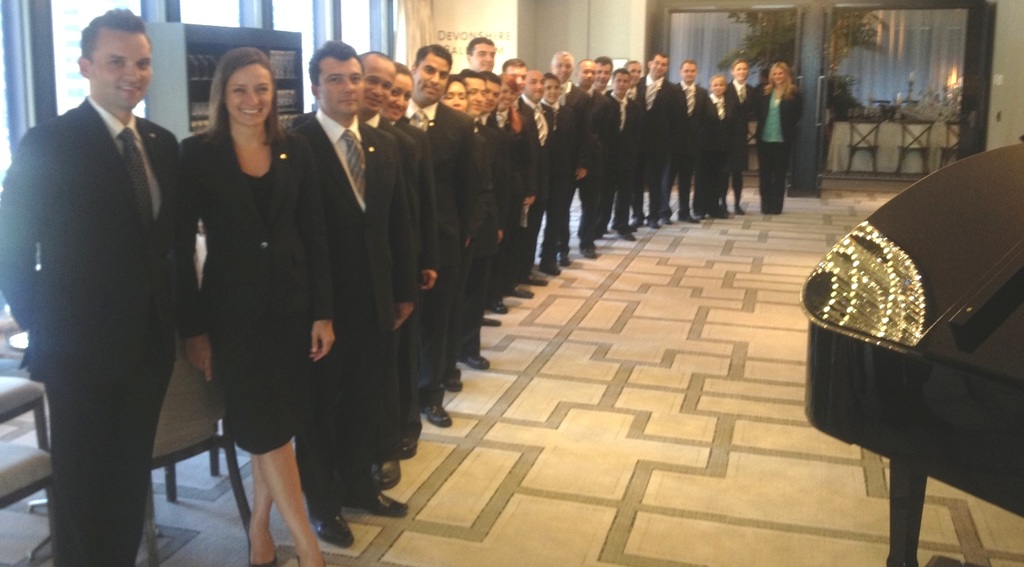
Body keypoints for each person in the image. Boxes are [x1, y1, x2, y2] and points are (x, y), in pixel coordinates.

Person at [0, 10, 179, 565]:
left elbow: (164, 245)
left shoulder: (160, 143)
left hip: (148, 347)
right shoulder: (50, 141)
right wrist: (46, 325)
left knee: (128, 479)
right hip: (78, 353)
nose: (132, 73)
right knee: (84, 486)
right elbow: (12, 246)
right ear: (85, 66)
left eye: (142, 62)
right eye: (116, 61)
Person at [176, 47, 332, 567]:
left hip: (292, 308)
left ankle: (259, 526)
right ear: (221, 94)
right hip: (232, 316)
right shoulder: (197, 154)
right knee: (265, 427)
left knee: (278, 426)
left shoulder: (296, 148)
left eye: (262, 88)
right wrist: (194, 329)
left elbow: (315, 233)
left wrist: (323, 312)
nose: (252, 99)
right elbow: (179, 247)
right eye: (240, 89)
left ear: (274, 93)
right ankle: (308, 548)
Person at [292, 40, 417, 547]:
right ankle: (323, 506)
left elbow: (398, 220)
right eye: (336, 79)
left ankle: (360, 487)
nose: (350, 88)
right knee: (321, 408)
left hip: (377, 299)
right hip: (323, 306)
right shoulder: (296, 143)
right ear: (315, 86)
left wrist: (403, 289)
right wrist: (318, 311)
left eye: (355, 77)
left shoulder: (383, 143)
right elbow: (300, 236)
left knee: (366, 399)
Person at [406, 45, 480, 428]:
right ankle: (401, 398)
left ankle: (430, 395)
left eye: (443, 74)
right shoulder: (391, 118)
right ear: (414, 68)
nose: (435, 80)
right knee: (403, 326)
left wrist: (461, 237)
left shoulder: (460, 125)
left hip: (445, 242)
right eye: (429, 70)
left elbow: (468, 189)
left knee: (437, 324)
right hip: (400, 243)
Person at [755, 61, 802, 215]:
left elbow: (798, 115)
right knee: (765, 174)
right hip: (764, 139)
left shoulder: (794, 93)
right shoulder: (764, 92)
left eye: (780, 73)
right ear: (771, 76)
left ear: (786, 74)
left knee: (779, 174)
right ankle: (765, 205)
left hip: (782, 140)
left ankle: (776, 206)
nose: (777, 76)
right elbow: (757, 112)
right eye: (774, 74)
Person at [695, 74, 738, 219]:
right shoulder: (705, 102)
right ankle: (700, 209)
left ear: (725, 87)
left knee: (717, 179)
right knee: (703, 178)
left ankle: (714, 208)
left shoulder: (729, 104)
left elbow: (732, 125)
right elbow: (699, 123)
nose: (718, 87)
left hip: (722, 148)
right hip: (705, 147)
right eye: (715, 85)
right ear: (710, 87)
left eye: (721, 85)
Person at [724, 58, 757, 215]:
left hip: (741, 137)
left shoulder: (751, 90)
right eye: (739, 69)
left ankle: (737, 204)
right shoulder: (725, 89)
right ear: (732, 72)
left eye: (744, 69)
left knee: (738, 173)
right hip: (726, 136)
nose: (742, 71)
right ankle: (722, 203)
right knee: (724, 172)